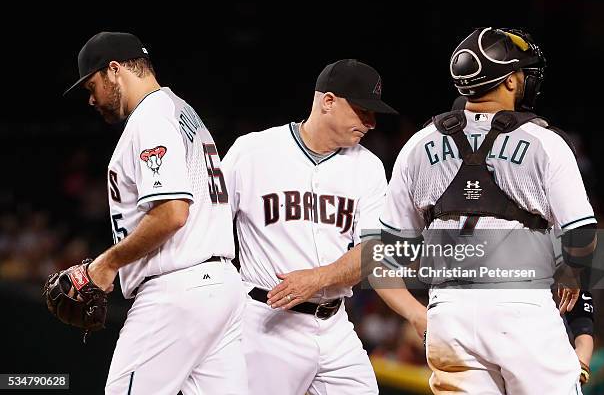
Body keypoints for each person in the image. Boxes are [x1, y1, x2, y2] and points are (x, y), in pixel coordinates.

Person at [380, 27, 597, 394]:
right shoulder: (545, 143)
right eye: (525, 75)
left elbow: (385, 258)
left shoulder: (417, 145)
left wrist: (421, 314)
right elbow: (582, 233)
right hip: (521, 305)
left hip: (447, 310)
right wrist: (573, 276)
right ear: (511, 81)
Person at [221, 59, 426, 394]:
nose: (371, 123)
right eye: (363, 111)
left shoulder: (368, 167)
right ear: (328, 101)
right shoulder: (253, 151)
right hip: (265, 323)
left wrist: (318, 278)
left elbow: (375, 252)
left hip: (335, 327)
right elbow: (207, 226)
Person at [63, 32, 247, 395]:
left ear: (114, 70)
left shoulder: (151, 118)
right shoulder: (181, 111)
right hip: (220, 288)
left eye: (92, 85)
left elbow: (172, 213)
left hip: (176, 289)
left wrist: (105, 264)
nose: (91, 99)